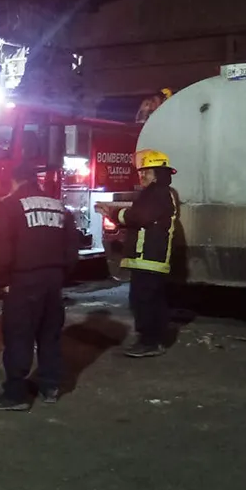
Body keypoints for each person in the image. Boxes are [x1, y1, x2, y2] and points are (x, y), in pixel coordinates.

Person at [0, 163, 77, 412]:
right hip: (53, 279)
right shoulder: (58, 206)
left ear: (15, 181)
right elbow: (71, 249)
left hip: (23, 280)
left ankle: (16, 394)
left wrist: (2, 280)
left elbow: (1, 248)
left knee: (19, 336)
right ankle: (50, 386)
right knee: (49, 334)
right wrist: (60, 275)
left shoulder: (12, 205)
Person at [98, 149, 180, 358]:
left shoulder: (158, 193)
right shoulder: (158, 193)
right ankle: (154, 339)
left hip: (149, 257)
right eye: (141, 172)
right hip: (148, 258)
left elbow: (139, 217)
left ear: (159, 174)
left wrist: (114, 213)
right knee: (152, 299)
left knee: (143, 300)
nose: (141, 176)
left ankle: (149, 341)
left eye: (147, 172)